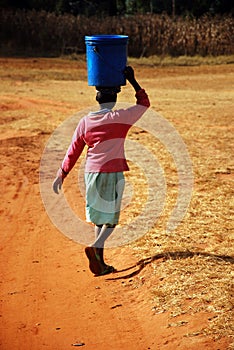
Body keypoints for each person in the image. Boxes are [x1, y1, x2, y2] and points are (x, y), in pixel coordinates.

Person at [53, 66, 150, 276]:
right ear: (114, 100)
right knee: (112, 220)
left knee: (99, 219)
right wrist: (132, 80)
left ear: (97, 99)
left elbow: (73, 150)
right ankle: (96, 247)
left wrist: (62, 173)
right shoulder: (120, 118)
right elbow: (144, 104)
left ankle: (101, 263)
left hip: (91, 174)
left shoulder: (85, 122)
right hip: (112, 173)